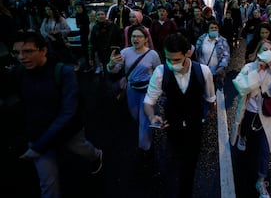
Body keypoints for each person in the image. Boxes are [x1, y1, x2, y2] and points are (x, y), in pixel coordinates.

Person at [9, 31, 103, 198]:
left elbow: (68, 111)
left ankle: (97, 155)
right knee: (48, 186)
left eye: (28, 51)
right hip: (38, 133)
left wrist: (38, 147)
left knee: (84, 150)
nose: (21, 57)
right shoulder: (19, 72)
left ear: (43, 50)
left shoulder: (63, 72)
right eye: (17, 53)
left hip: (68, 131)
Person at [144, 33, 216, 198]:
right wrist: (152, 117)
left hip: (195, 126)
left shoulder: (203, 72)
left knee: (189, 165)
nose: (171, 64)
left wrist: (211, 110)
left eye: (176, 60)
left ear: (187, 53)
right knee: (176, 155)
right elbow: (149, 101)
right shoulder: (161, 72)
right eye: (168, 59)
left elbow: (210, 97)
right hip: (172, 125)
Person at [231, 39, 271, 198]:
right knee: (245, 143)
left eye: (270, 49)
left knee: (264, 150)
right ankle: (243, 138)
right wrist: (257, 72)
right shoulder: (249, 67)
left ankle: (261, 180)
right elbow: (242, 87)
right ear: (258, 52)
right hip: (248, 114)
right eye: (264, 49)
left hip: (266, 117)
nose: (267, 51)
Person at [107, 26, 161, 150]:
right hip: (131, 90)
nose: (135, 39)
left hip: (147, 92)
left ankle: (145, 148)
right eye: (133, 36)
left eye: (139, 36)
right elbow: (115, 70)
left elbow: (159, 72)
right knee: (135, 116)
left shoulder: (153, 54)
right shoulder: (125, 52)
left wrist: (158, 91)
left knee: (144, 120)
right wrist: (111, 63)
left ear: (146, 39)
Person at [195, 20, 230, 90]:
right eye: (211, 28)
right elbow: (197, 53)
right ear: (208, 29)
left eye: (215, 28)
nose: (214, 29)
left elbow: (226, 55)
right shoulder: (201, 39)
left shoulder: (223, 40)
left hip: (217, 72)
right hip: (204, 71)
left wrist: (222, 66)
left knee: (215, 89)